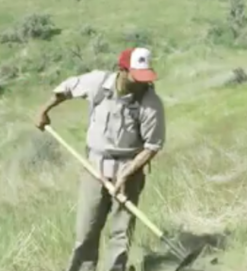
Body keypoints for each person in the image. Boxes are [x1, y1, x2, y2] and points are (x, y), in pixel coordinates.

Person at [34, 47, 166, 271]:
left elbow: (152, 146)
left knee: (121, 234)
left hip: (130, 170)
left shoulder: (151, 103)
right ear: (122, 71)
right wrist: (44, 110)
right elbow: (65, 89)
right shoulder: (97, 83)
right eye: (137, 77)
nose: (142, 83)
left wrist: (126, 174)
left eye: (146, 77)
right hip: (94, 167)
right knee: (86, 232)